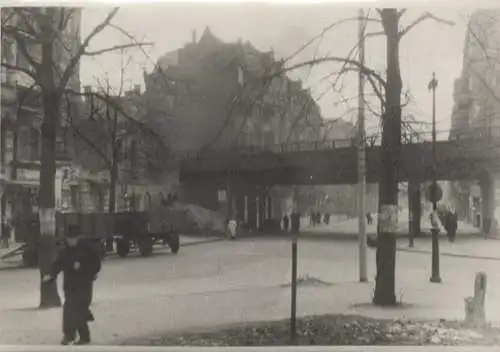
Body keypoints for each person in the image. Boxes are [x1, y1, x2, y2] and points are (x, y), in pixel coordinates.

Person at [42, 225, 102, 345]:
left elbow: (96, 265)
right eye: (69, 238)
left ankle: (79, 337)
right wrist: (50, 275)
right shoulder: (65, 252)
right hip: (70, 286)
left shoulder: (88, 251)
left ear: (78, 238)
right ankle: (72, 336)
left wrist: (89, 272)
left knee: (78, 310)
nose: (70, 241)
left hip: (84, 286)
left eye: (73, 238)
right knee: (70, 311)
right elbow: (58, 265)